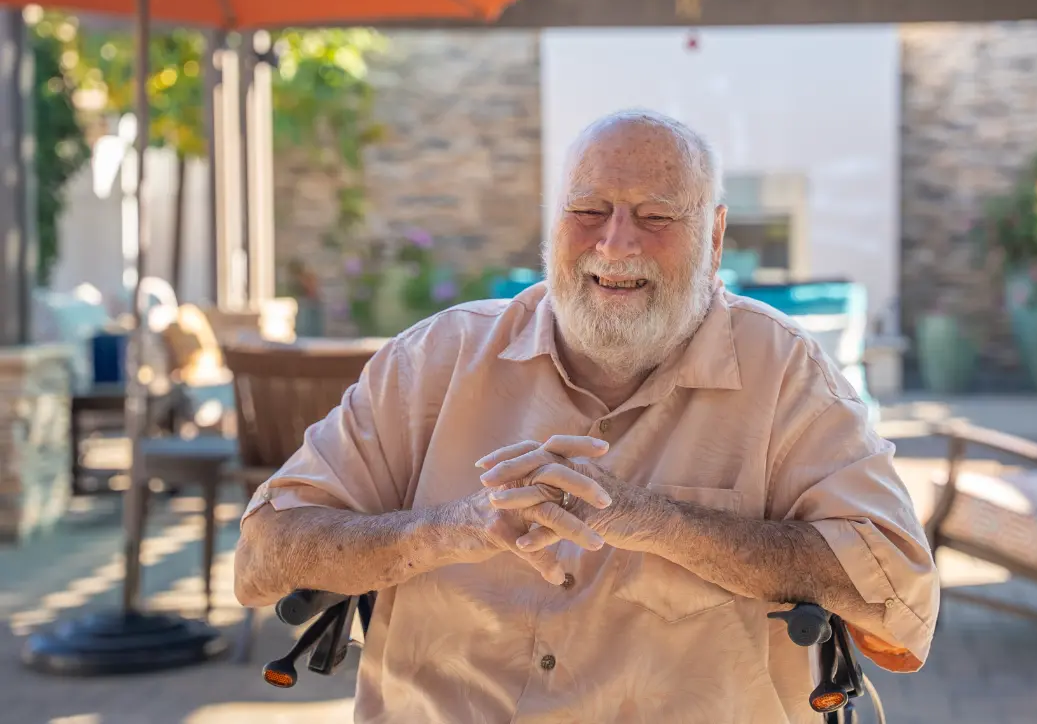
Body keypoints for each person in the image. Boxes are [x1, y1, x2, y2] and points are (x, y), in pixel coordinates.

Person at [234, 109, 939, 724]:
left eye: (657, 215)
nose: (616, 243)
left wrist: (663, 525)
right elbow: (266, 553)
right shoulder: (434, 360)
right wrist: (449, 529)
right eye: (589, 210)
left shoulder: (787, 374)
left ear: (716, 236)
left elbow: (899, 596)